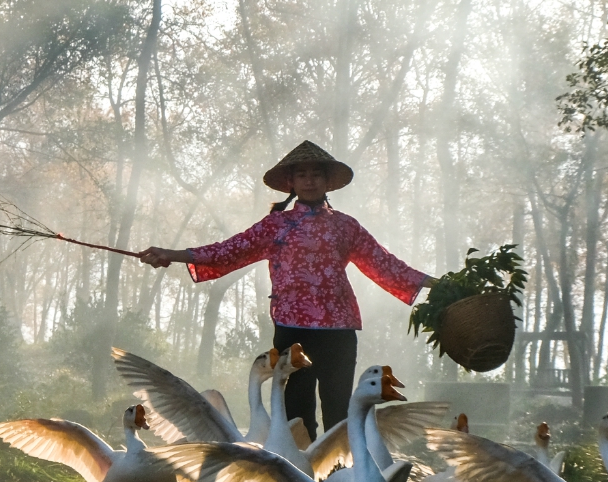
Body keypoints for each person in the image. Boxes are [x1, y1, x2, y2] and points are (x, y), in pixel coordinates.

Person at [138, 140, 433, 439]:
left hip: (338, 328)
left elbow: (382, 263)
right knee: (296, 411)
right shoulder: (276, 225)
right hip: (292, 328)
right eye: (302, 174)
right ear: (291, 182)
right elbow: (228, 251)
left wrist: (433, 283)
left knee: (338, 407)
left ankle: (342, 475)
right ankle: (301, 475)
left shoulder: (346, 226)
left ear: (327, 181)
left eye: (316, 174)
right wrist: (171, 254)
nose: (309, 180)